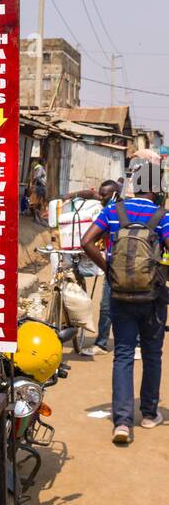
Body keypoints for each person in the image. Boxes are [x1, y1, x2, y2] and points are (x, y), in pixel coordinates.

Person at [81, 160, 169, 444]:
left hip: (119, 295)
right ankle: (148, 414)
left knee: (122, 355)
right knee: (152, 355)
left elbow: (87, 241)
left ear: (134, 185)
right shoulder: (162, 216)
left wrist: (110, 270)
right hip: (152, 298)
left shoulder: (113, 211)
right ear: (157, 188)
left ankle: (121, 423)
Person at [72, 180, 121, 357]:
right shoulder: (106, 206)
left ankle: (107, 343)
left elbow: (92, 238)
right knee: (107, 305)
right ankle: (102, 342)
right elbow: (89, 194)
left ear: (115, 194)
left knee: (114, 304)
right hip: (112, 261)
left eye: (104, 195)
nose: (101, 198)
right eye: (100, 194)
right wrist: (72, 196)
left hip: (120, 264)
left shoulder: (116, 211)